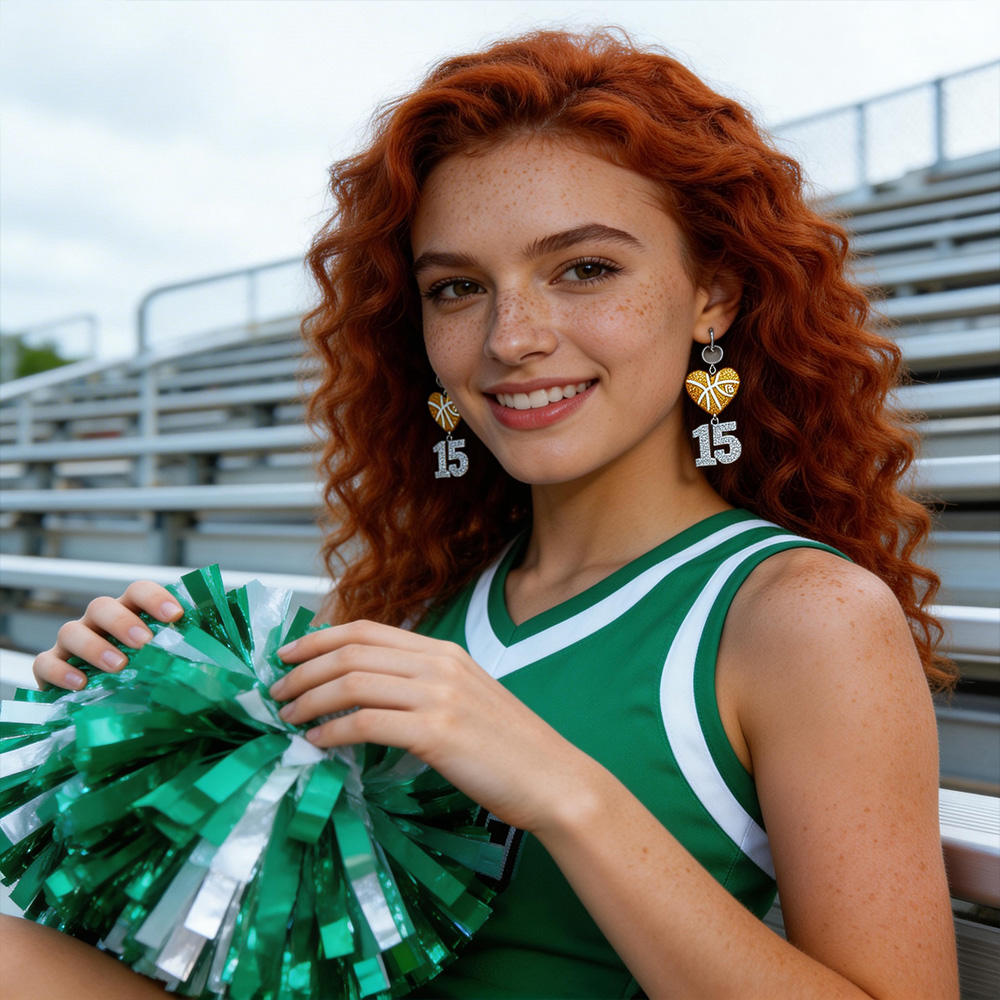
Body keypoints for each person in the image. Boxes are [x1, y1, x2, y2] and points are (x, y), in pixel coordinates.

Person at [6, 27, 959, 1000]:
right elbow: (277, 951)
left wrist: (562, 788)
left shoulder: (802, 614)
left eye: (584, 268)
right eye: (457, 288)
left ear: (710, 295)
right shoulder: (424, 602)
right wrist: (133, 725)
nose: (512, 337)